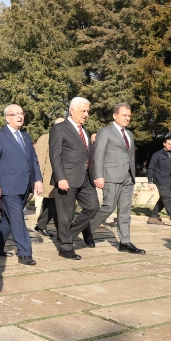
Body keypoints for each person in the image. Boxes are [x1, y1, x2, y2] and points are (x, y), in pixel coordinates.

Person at [84, 103, 144, 254]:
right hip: (111, 176)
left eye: (129, 116)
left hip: (128, 177)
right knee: (109, 207)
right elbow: (98, 155)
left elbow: (130, 155)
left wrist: (133, 174)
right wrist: (99, 175)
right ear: (115, 115)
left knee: (125, 211)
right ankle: (88, 228)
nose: (127, 118)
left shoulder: (129, 134)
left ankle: (125, 242)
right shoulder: (105, 132)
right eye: (124, 115)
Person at [0, 104, 43, 265]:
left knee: (8, 217)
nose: (20, 116)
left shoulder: (25, 136)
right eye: (15, 114)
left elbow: (33, 160)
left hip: (25, 185)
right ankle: (25, 252)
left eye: (21, 113)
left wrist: (37, 179)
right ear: (7, 118)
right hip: (7, 185)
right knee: (17, 217)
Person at [49, 97, 99, 260]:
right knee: (66, 214)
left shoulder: (84, 130)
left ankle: (67, 234)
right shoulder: (59, 129)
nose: (86, 115)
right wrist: (60, 178)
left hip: (86, 178)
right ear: (72, 110)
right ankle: (66, 247)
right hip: (67, 178)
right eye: (83, 111)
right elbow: (55, 156)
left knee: (93, 207)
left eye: (88, 112)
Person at [34, 118, 65, 237]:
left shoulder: (64, 137)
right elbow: (40, 160)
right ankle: (61, 231)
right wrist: (39, 179)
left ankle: (41, 225)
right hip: (48, 178)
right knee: (56, 203)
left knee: (50, 202)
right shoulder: (45, 138)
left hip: (60, 176)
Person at [147, 136, 171, 225]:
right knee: (167, 198)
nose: (170, 146)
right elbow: (151, 168)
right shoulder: (157, 155)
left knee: (163, 199)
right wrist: (150, 181)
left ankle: (153, 216)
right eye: (169, 144)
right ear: (164, 144)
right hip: (161, 180)